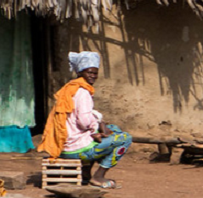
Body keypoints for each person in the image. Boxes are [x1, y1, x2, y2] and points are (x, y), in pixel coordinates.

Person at [37, 51, 132, 189]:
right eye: (89, 72)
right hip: (76, 150)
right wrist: (98, 124)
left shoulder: (71, 89)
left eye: (95, 73)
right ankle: (98, 177)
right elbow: (84, 122)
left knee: (114, 129)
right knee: (125, 138)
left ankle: (85, 173)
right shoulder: (83, 93)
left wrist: (100, 126)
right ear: (81, 72)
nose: (93, 76)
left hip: (64, 146)